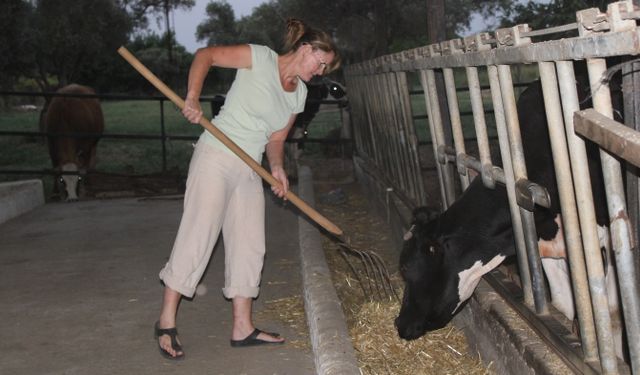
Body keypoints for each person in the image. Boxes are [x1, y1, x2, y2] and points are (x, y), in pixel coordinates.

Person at [154, 18, 340, 360]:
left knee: (250, 244)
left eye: (325, 67)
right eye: (321, 61)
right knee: (199, 234)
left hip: (250, 166)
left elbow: (276, 139)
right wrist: (192, 98)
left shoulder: (298, 93)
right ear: (306, 49)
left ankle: (242, 327)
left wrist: (279, 168)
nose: (321, 70)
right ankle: (166, 320)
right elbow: (205, 55)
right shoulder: (260, 57)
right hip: (216, 156)